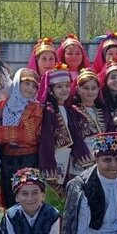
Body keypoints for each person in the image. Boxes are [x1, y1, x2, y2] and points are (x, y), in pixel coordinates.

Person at [38, 64, 90, 211]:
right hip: (54, 158)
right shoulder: (49, 110)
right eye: (59, 87)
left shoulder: (68, 109)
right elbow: (46, 140)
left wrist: (83, 156)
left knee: (66, 198)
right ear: (50, 90)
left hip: (67, 158)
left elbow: (75, 136)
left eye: (67, 86)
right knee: (52, 198)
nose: (65, 90)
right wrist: (48, 165)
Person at [0, 68, 43, 207]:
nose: (30, 88)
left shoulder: (35, 107)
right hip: (7, 159)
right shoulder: (5, 104)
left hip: (28, 159)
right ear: (17, 83)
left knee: (28, 195)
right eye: (26, 83)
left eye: (34, 86)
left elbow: (27, 135)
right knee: (10, 196)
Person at [72, 68, 116, 176]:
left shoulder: (104, 111)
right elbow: (74, 136)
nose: (90, 92)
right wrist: (82, 154)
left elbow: (111, 133)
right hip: (82, 157)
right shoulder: (73, 111)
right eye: (86, 88)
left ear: (98, 90)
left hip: (103, 156)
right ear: (78, 90)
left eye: (93, 88)